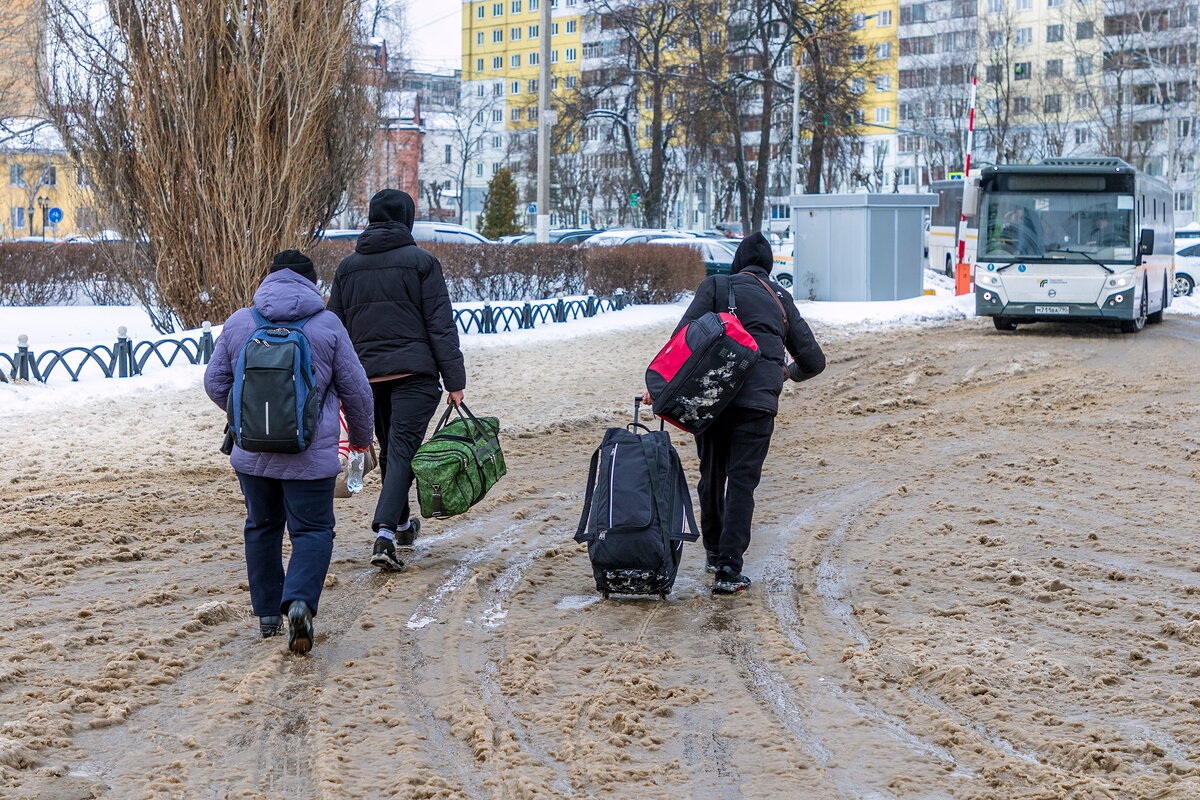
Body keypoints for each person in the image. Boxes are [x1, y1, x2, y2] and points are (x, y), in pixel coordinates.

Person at [204, 250, 373, 654]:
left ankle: (266, 615)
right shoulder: (328, 325)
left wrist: (248, 417)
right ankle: (298, 602)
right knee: (312, 531)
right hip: (310, 456)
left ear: (269, 279)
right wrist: (362, 442)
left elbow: (214, 382)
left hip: (251, 454)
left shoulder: (240, 322)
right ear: (312, 284)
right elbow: (357, 393)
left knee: (261, 527)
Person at [665, 233, 825, 594]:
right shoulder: (780, 297)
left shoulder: (716, 286)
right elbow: (814, 361)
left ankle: (711, 551)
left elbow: (683, 337)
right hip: (757, 404)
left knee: (711, 475)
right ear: (768, 268)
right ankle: (728, 569)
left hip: (712, 397)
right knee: (742, 483)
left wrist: (660, 385)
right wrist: (786, 371)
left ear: (737, 262)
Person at [328, 189, 466, 572]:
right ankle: (386, 532)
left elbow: (333, 328)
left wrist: (334, 380)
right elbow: (440, 325)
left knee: (393, 449)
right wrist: (455, 380)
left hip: (365, 379)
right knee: (401, 450)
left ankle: (403, 525)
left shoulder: (347, 267)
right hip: (414, 376)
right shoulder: (422, 262)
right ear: (406, 218)